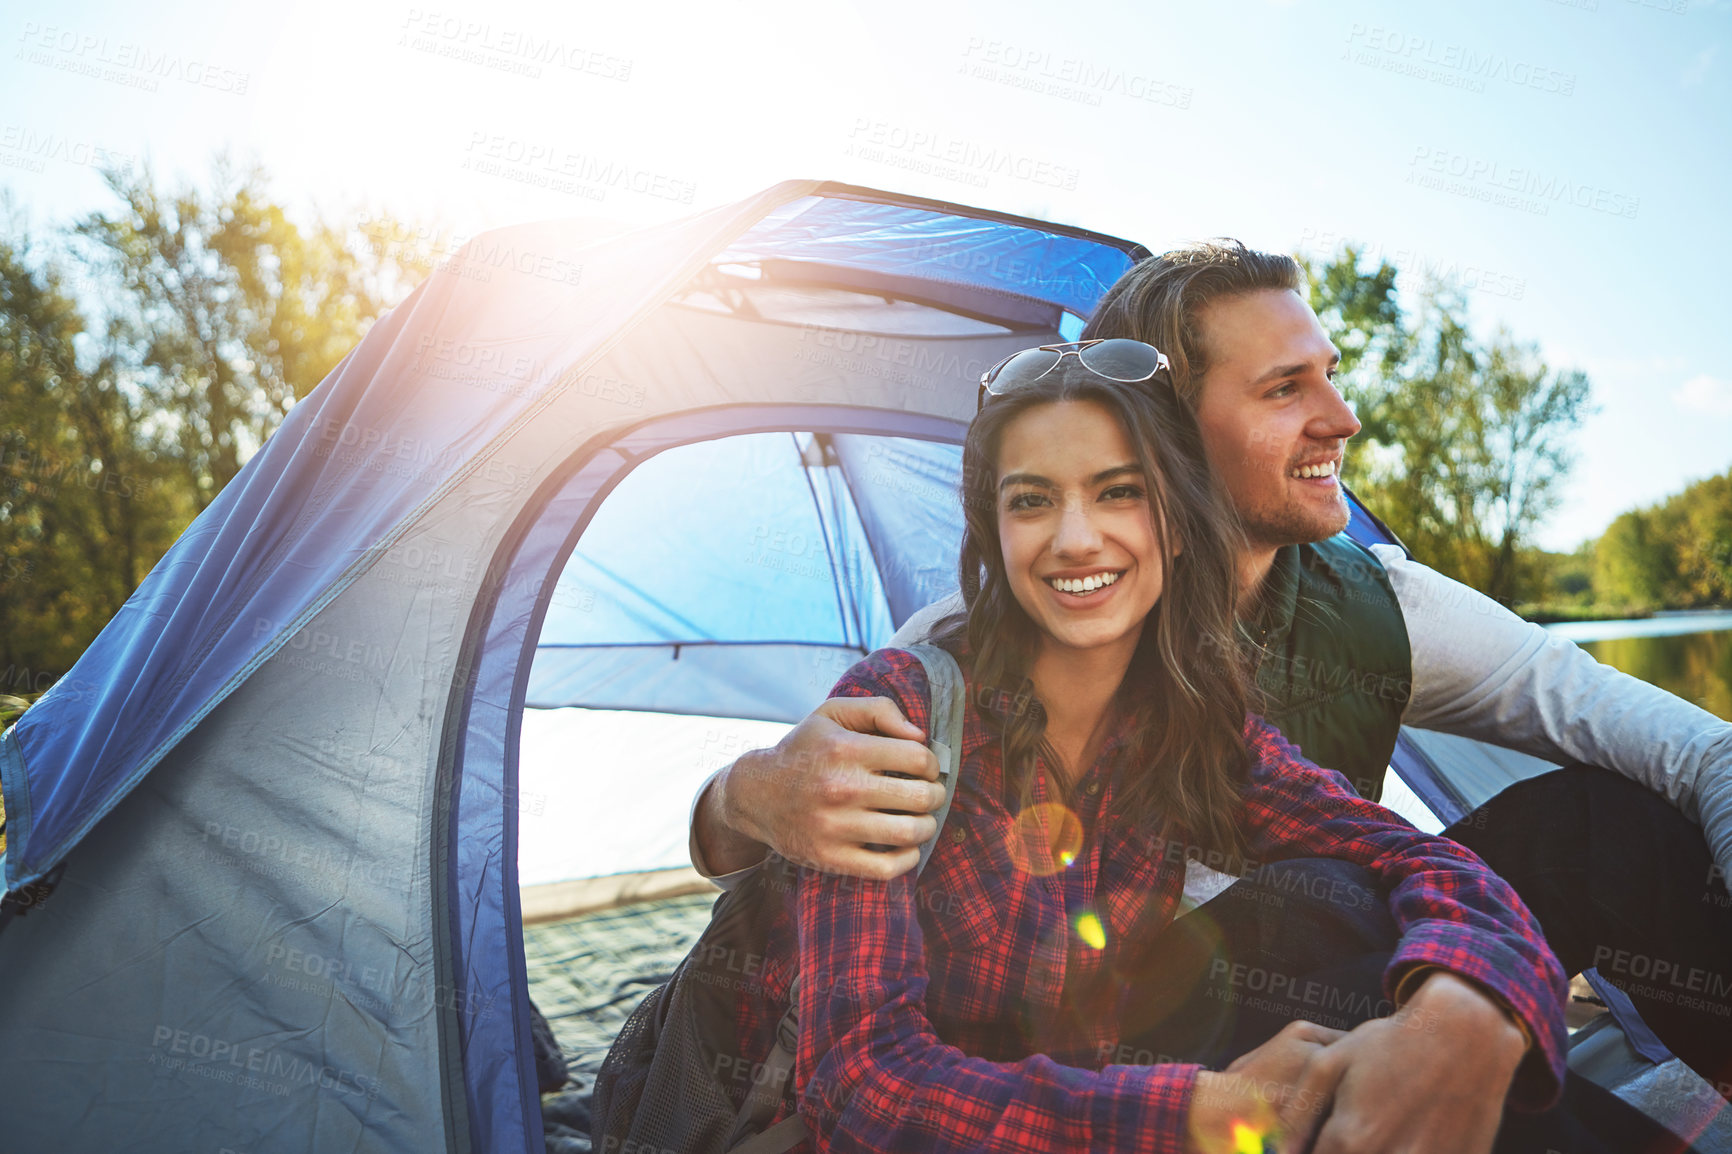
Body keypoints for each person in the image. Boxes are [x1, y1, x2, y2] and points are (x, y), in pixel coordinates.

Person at [693, 242, 1732, 1102]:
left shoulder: (1382, 609)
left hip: (1327, 983)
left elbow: (1694, 753)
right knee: (1314, 896)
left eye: (1329, 372)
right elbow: (824, 975)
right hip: (1095, 1069)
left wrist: (1474, 988)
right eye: (1286, 388)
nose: (1342, 417)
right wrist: (745, 791)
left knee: (1598, 830)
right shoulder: (969, 653)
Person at [754, 351, 1568, 1154]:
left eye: (1120, 493)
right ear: (994, 530)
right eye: (1032, 501)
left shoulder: (1193, 725)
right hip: (1005, 1133)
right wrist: (1186, 1114)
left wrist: (1466, 1009)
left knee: (1347, 902)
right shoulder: (901, 711)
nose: (1076, 539)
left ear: (1177, 524)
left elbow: (1417, 858)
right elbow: (858, 1086)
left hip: (1119, 1102)